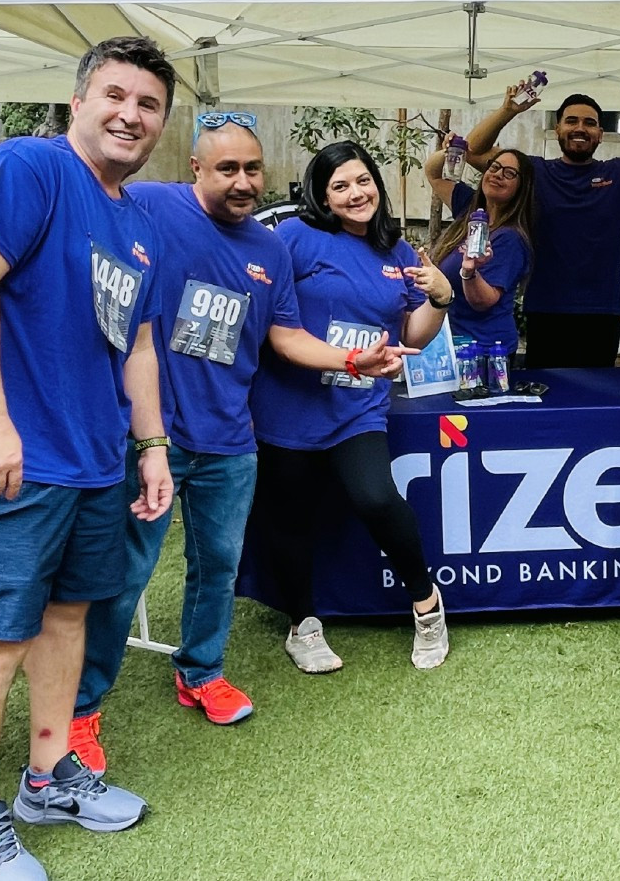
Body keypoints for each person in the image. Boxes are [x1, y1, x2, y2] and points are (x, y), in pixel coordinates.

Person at [69, 113, 411, 775]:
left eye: (252, 168)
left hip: (231, 436)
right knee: (123, 576)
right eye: (227, 167)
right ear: (195, 167)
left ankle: (200, 670)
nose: (243, 180)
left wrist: (351, 359)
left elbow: (285, 337)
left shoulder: (270, 248)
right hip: (151, 435)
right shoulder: (152, 204)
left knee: (218, 567)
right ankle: (81, 707)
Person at [0, 37, 176, 881]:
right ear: (79, 101)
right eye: (115, 94)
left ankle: (47, 774)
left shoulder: (138, 221)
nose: (129, 114)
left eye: (147, 104)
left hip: (93, 459)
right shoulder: (25, 167)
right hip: (7, 460)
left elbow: (136, 344)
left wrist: (151, 445)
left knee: (68, 619)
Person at [248, 141, 453, 674]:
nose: (355, 193)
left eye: (362, 181)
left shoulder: (398, 252)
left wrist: (439, 297)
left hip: (356, 407)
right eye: (339, 185)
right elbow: (272, 323)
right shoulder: (295, 238)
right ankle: (303, 624)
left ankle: (428, 607)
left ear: (377, 186)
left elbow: (412, 336)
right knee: (290, 517)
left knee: (377, 498)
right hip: (288, 403)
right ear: (321, 194)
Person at [464, 83, 620, 367]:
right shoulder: (534, 172)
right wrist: (507, 111)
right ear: (557, 130)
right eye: (571, 121)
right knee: (546, 402)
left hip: (602, 313)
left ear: (600, 134)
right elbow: (473, 151)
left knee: (594, 404)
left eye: (590, 123)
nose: (580, 128)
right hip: (546, 310)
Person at [423, 139, 535, 359]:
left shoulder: (510, 238)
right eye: (494, 167)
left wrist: (469, 271)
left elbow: (483, 301)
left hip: (486, 353)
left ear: (522, 187)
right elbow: (433, 173)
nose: (498, 174)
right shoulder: (469, 209)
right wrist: (453, 149)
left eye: (509, 173)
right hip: (454, 345)